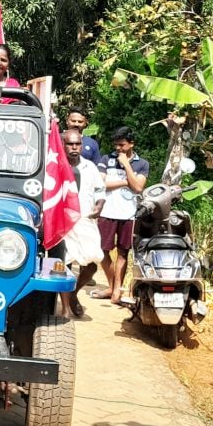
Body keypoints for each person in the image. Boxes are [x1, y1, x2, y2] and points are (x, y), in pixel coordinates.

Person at [92, 127, 149, 304]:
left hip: (129, 214)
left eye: (122, 145)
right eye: (116, 145)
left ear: (132, 144)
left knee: (123, 252)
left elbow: (138, 187)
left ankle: (117, 290)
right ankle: (112, 286)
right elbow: (100, 183)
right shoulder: (106, 159)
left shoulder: (142, 164)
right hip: (107, 212)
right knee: (102, 251)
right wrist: (126, 182)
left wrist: (126, 165)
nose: (118, 148)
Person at [58, 129, 106, 318]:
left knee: (93, 263)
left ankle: (73, 293)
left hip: (86, 221)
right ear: (63, 145)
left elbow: (100, 190)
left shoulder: (90, 167)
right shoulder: (56, 166)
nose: (74, 147)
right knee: (64, 264)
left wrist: (99, 205)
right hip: (63, 223)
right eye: (70, 144)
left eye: (77, 144)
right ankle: (65, 308)